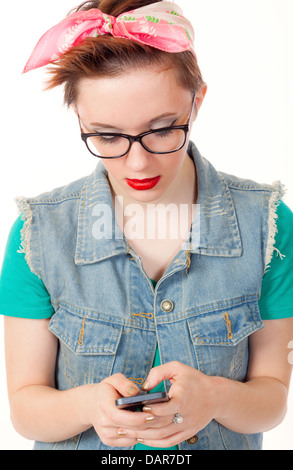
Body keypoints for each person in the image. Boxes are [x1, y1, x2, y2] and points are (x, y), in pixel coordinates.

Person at [1, 0, 293, 451]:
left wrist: (214, 397)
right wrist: (87, 407)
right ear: (79, 118)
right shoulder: (38, 234)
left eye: (161, 129)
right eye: (107, 136)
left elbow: (272, 396)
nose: (138, 162)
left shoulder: (267, 225)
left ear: (197, 101)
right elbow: (24, 408)